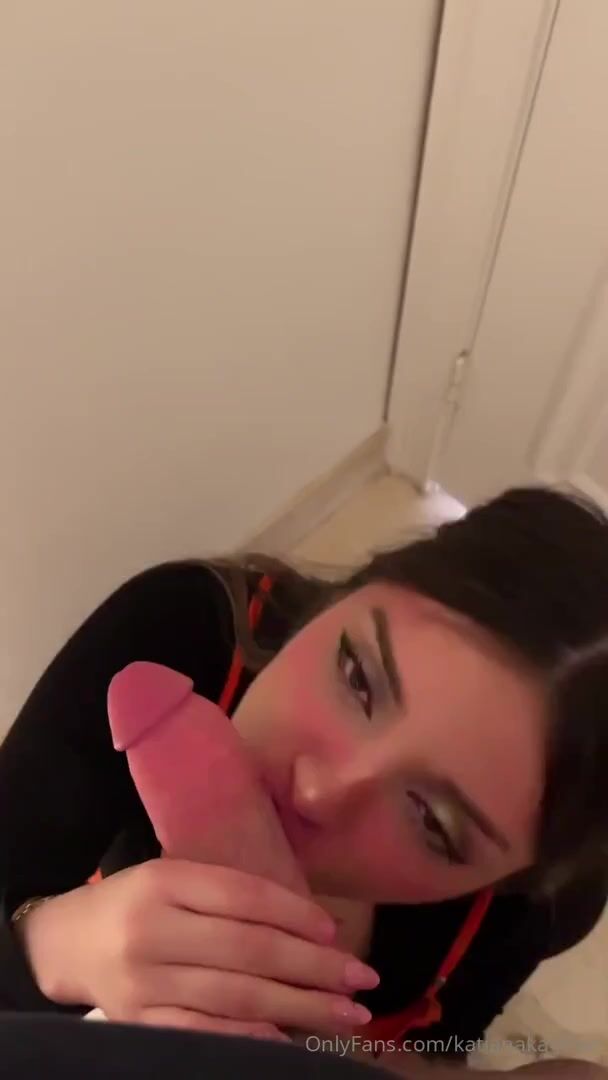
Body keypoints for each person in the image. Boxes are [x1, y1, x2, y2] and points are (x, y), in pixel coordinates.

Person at [1, 486, 607, 1078]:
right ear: (356, 586)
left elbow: (444, 1043)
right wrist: (55, 945)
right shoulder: (180, 634)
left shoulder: (535, 912)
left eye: (433, 823)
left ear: (510, 878)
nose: (318, 790)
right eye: (357, 677)